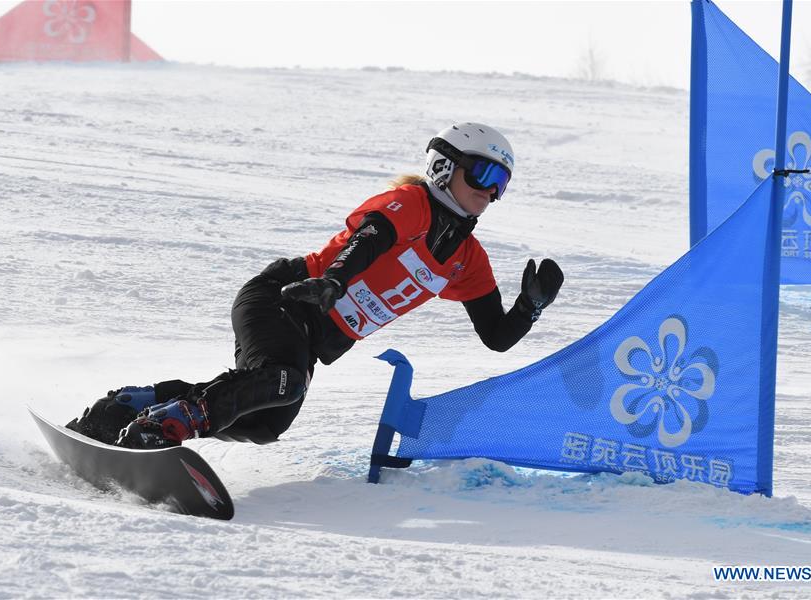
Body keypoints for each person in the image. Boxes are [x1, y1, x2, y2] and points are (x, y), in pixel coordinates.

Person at [67, 122, 565, 449]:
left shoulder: (466, 259)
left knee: (266, 422)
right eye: (481, 172)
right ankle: (163, 426)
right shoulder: (410, 202)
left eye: (501, 183)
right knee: (283, 380)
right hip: (286, 296)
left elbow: (496, 336)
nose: (489, 191)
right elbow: (369, 239)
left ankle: (128, 408)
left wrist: (530, 307)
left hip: (312, 333)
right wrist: (333, 281)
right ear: (443, 167)